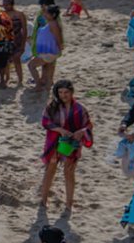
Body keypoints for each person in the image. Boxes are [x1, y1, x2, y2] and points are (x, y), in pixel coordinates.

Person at [38, 80, 93, 214]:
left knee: (69, 172)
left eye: (66, 92)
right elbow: (45, 122)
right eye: (60, 92)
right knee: (50, 170)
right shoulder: (52, 107)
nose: (63, 95)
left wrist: (82, 131)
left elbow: (88, 125)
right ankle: (43, 200)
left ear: (71, 92)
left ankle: (69, 204)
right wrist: (60, 130)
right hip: (54, 143)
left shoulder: (80, 109)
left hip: (71, 144)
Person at [31, 5, 64, 88]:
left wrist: (60, 47)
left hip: (49, 52)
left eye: (47, 13)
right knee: (48, 68)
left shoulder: (53, 24)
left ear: (52, 15)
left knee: (31, 66)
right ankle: (47, 87)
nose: (45, 15)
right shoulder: (51, 23)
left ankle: (38, 85)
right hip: (48, 51)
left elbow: (58, 37)